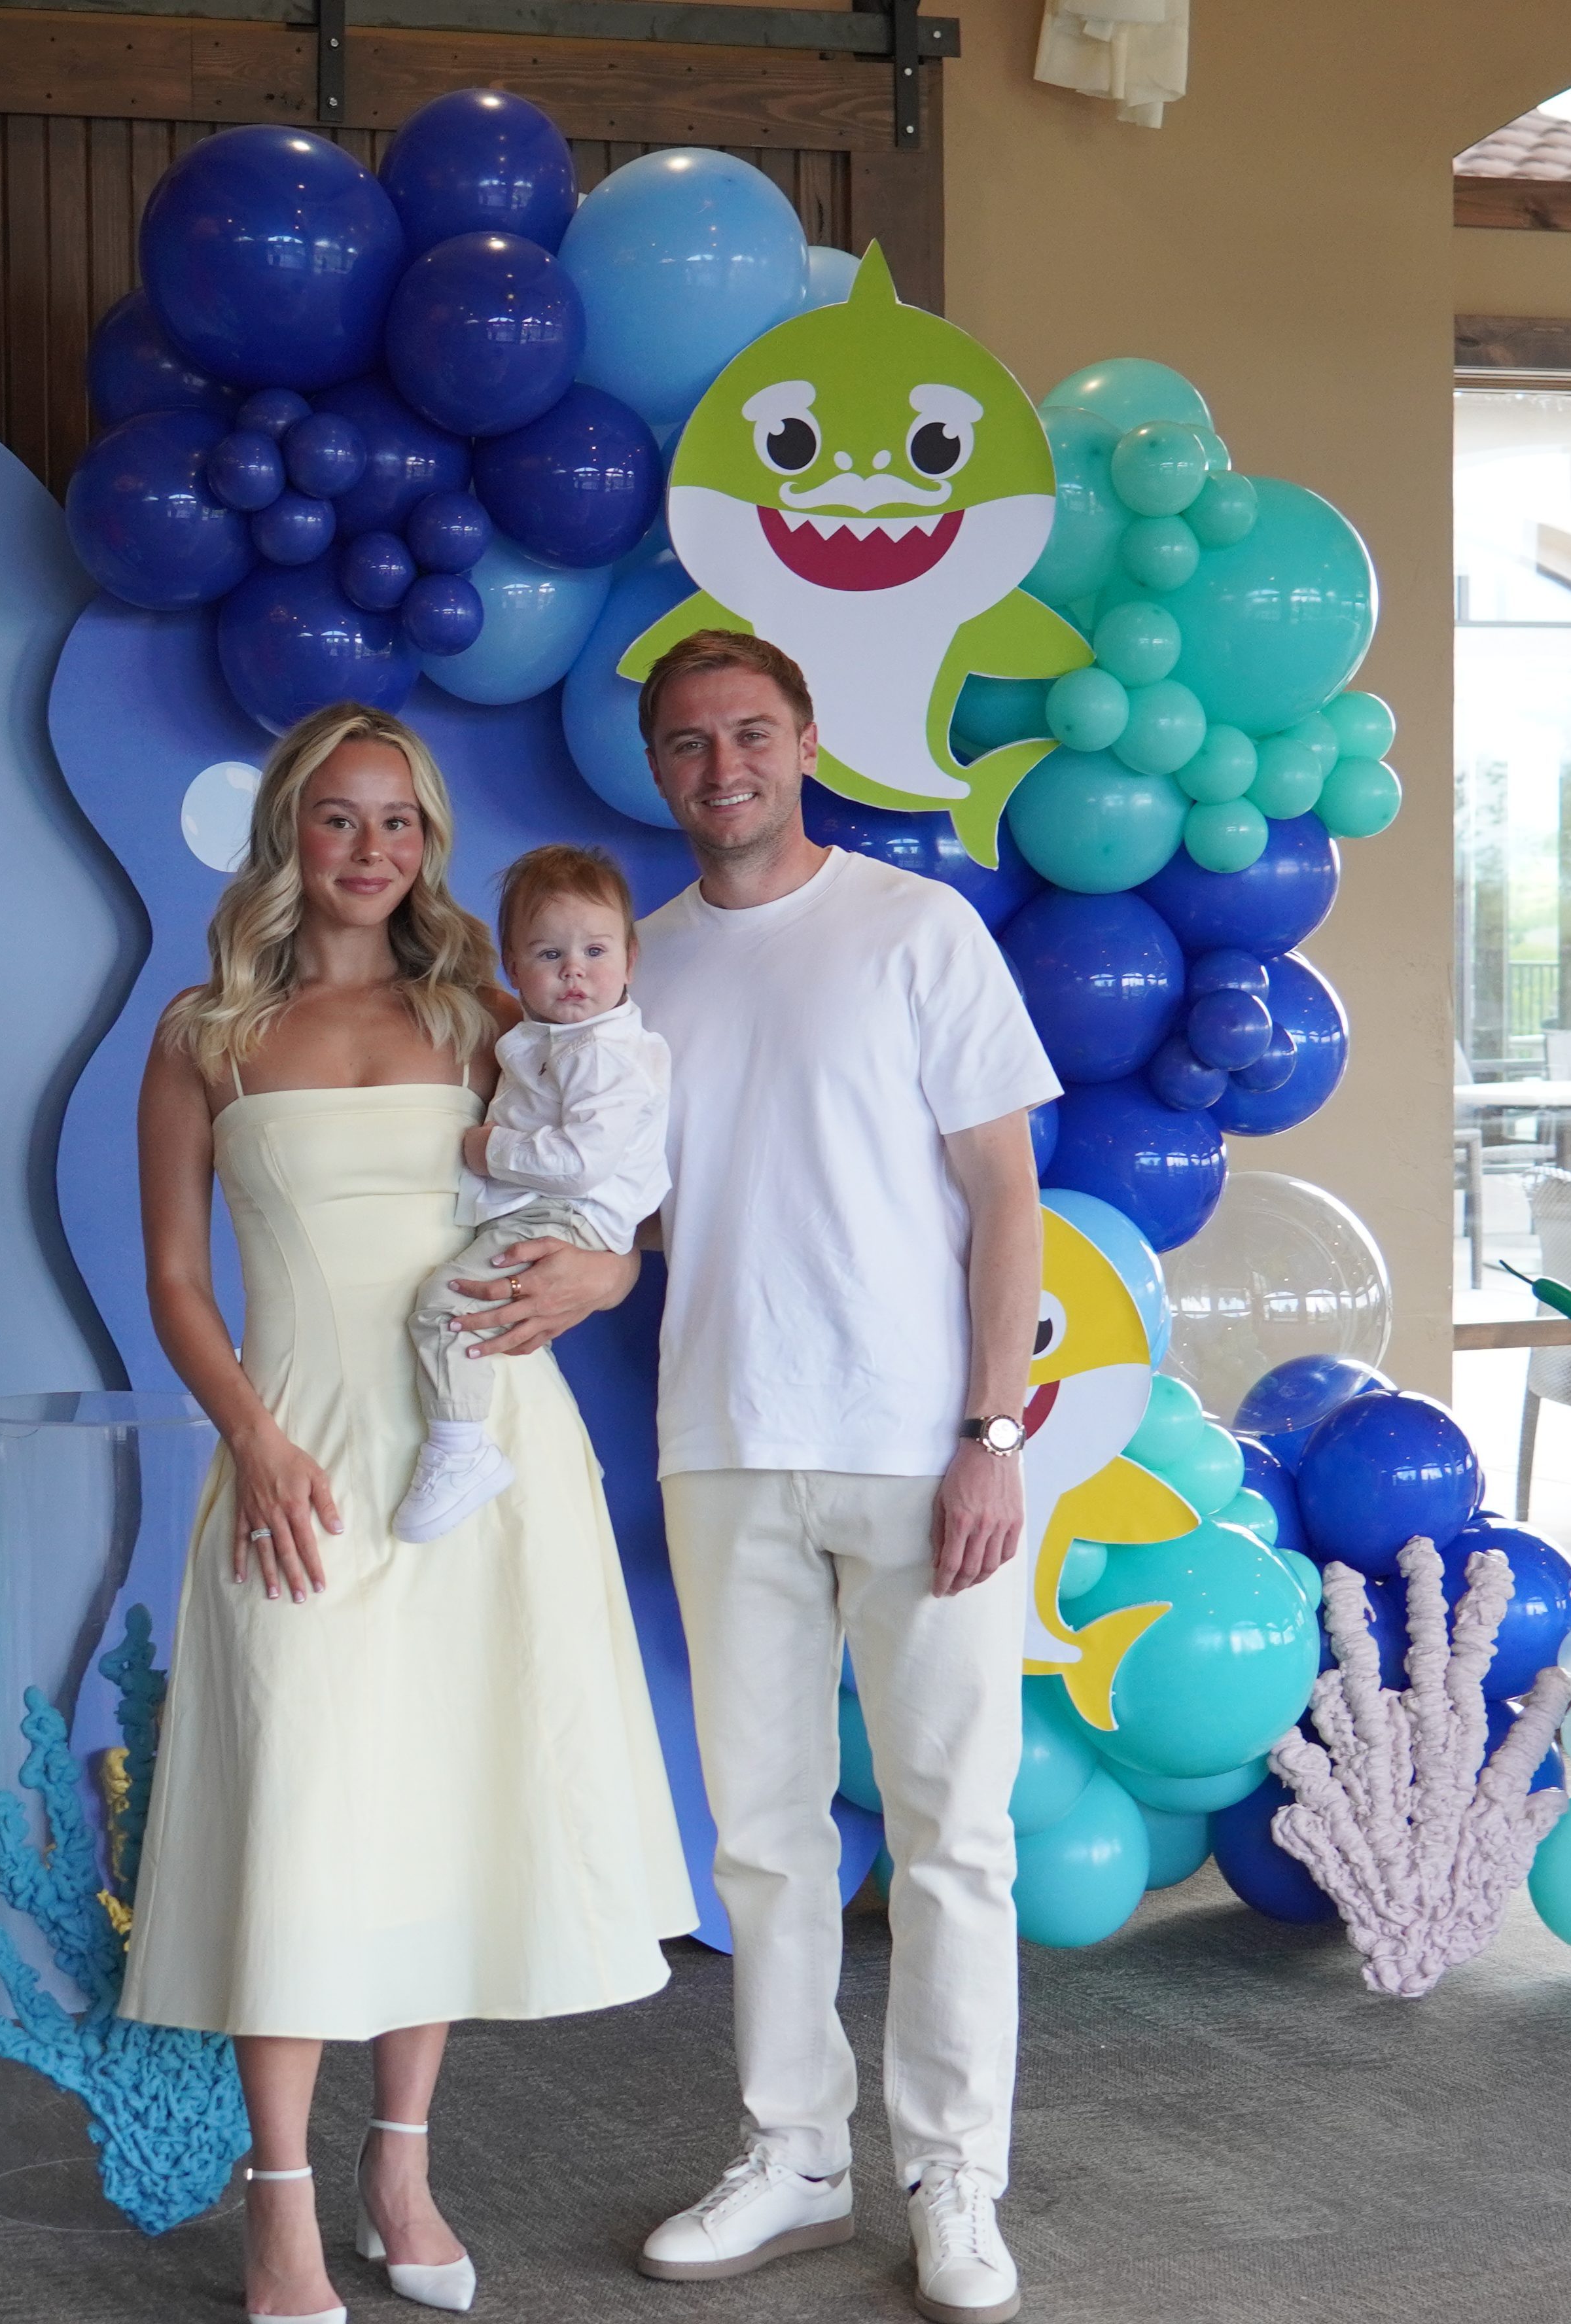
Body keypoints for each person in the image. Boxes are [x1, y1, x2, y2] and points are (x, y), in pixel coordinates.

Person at [444, 631, 1052, 2324]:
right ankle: (794, 2156)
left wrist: (992, 1434)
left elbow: (1005, 1195)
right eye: (692, 742)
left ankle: (954, 2177)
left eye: (753, 733)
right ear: (657, 768)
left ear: (805, 741)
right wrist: (592, 1262)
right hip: (722, 1439)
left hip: (920, 1449)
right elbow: (633, 1205)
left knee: (952, 1835)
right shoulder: (634, 971)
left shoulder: (914, 929)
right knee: (769, 1844)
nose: (724, 766)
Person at [118, 703, 696, 2324]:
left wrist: (610, 1276)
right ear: (287, 836)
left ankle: (401, 2169)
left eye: (400, 822)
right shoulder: (203, 1032)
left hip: (484, 1453)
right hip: (299, 1459)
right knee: (300, 1814)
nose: (371, 850)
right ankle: (280, 2206)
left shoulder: (488, 1015)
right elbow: (174, 1280)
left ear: (430, 844)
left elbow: (619, 1180)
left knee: (440, 1797)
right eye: (339, 818)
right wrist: (253, 1440)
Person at [393, 844, 669, 1544]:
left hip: (567, 1213)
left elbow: (579, 1163)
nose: (574, 970)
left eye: (595, 952)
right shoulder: (554, 1039)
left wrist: (489, 1149)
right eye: (549, 955)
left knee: (446, 1308)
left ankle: (460, 1451)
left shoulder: (601, 1052)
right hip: (555, 1209)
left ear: (630, 960)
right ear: (513, 969)